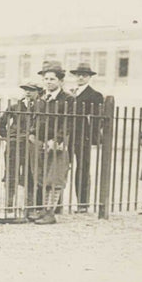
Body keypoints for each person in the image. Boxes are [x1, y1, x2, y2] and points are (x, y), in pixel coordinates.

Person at [29, 61, 74, 225]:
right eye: (46, 79)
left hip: (56, 144)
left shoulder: (67, 99)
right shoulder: (42, 97)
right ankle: (43, 209)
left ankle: (50, 212)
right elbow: (36, 118)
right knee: (42, 177)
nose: (48, 82)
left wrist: (57, 140)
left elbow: (67, 123)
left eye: (52, 79)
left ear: (61, 81)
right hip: (40, 143)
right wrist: (33, 133)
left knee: (54, 178)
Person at [0, 81, 43, 223]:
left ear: (38, 92)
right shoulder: (15, 106)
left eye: (31, 90)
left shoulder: (40, 107)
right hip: (14, 144)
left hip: (30, 145)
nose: (28, 92)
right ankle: (9, 203)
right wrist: (7, 136)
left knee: (30, 174)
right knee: (11, 173)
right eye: (25, 90)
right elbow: (1, 123)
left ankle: (29, 205)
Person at [69, 62, 104, 213]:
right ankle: (55, 204)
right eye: (78, 75)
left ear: (89, 77)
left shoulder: (95, 95)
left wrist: (92, 136)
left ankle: (82, 204)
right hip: (67, 136)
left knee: (82, 168)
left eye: (84, 75)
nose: (81, 77)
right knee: (61, 167)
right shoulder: (69, 93)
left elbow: (98, 119)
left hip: (83, 136)